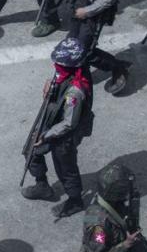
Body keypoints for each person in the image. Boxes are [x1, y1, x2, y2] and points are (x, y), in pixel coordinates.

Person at [22, 37, 93, 218]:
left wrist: (46, 136)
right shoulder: (65, 73)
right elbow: (57, 79)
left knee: (65, 166)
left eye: (59, 64)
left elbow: (69, 123)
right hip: (51, 119)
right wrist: (50, 85)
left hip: (64, 132)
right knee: (31, 150)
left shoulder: (75, 91)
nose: (56, 67)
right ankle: (42, 185)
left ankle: (75, 200)